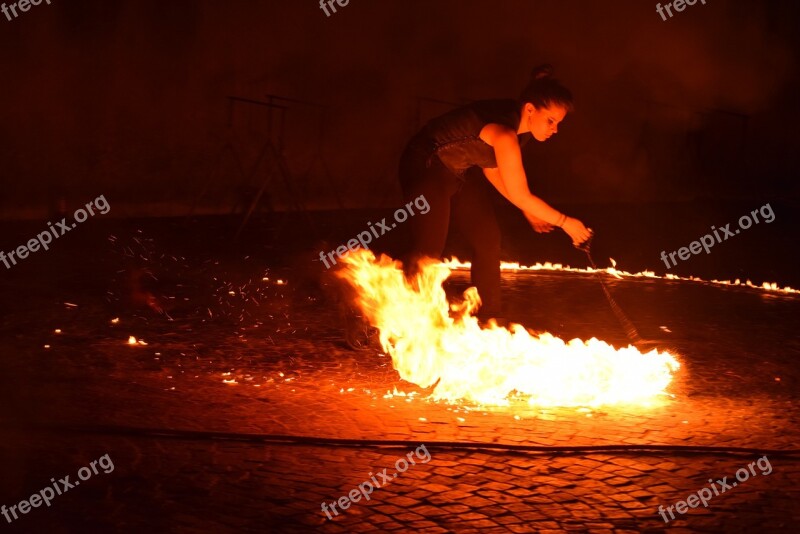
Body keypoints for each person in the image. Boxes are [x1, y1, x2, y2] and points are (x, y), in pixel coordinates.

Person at [399, 64, 591, 322]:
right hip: (426, 164)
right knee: (429, 250)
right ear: (530, 109)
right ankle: (389, 317)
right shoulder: (505, 132)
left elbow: (494, 172)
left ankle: (489, 319)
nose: (554, 129)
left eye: (558, 123)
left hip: (458, 173)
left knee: (488, 240)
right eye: (551, 121)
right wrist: (567, 223)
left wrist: (527, 208)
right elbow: (520, 192)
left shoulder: (518, 131)